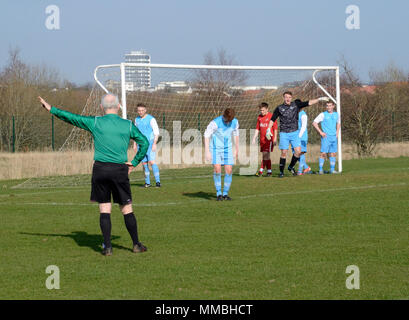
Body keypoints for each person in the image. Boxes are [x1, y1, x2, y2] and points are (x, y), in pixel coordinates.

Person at [38, 94, 149, 256]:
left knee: (105, 209)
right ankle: (136, 245)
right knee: (126, 209)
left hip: (100, 169)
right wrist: (134, 161)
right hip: (119, 170)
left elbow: (72, 118)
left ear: (102, 107)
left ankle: (108, 247)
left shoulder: (95, 122)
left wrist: (51, 109)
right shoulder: (127, 125)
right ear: (118, 107)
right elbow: (144, 142)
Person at [267, 91, 329, 178]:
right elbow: (272, 119)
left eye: (289, 97)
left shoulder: (296, 105)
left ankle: (290, 166)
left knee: (298, 152)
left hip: (294, 133)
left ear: (291, 98)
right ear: (283, 98)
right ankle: (281, 172)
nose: (287, 99)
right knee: (284, 152)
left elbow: (309, 102)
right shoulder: (279, 108)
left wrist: (319, 99)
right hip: (284, 133)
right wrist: (268, 129)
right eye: (286, 97)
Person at [204, 108, 239, 201]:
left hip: (227, 148)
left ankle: (225, 194)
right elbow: (206, 135)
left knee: (229, 170)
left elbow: (236, 134)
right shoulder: (215, 123)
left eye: (230, 120)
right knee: (217, 169)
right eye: (227, 119)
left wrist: (236, 149)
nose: (228, 122)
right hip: (215, 149)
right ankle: (219, 193)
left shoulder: (235, 122)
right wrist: (207, 151)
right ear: (224, 116)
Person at [133, 103, 161, 188]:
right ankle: (147, 183)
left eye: (142, 110)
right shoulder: (136, 120)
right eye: (139, 110)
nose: (140, 112)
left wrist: (154, 144)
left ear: (145, 110)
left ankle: (158, 182)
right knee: (144, 163)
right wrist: (134, 144)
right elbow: (135, 133)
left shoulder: (151, 119)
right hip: (141, 145)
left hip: (150, 144)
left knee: (152, 162)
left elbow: (156, 132)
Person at [312, 100, 340, 174]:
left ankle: (332, 170)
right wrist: (321, 132)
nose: (328, 107)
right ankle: (320, 170)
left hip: (333, 137)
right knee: (323, 153)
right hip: (326, 137)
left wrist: (337, 133)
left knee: (333, 153)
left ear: (333, 106)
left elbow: (338, 123)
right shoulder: (323, 114)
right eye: (327, 106)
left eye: (330, 105)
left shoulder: (336, 114)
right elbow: (314, 123)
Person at [252, 102, 278, 177]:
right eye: (260, 110)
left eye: (263, 110)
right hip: (262, 140)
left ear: (267, 109)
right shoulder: (259, 117)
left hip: (269, 139)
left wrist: (275, 138)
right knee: (265, 156)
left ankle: (260, 171)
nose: (261, 112)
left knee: (265, 155)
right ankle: (269, 171)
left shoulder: (272, 116)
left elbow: (275, 129)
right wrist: (254, 138)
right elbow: (257, 129)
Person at [291, 104, 312, 175]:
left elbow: (303, 127)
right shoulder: (294, 114)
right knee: (296, 153)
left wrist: (298, 137)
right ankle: (306, 167)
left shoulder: (303, 115)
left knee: (300, 153)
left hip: (301, 137)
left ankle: (300, 171)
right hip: (295, 136)